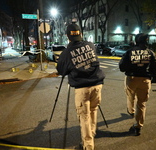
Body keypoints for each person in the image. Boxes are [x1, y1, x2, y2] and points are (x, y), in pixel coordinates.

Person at [57, 22, 105, 150]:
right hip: (97, 85)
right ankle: (92, 134)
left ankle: (88, 146)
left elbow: (61, 70)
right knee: (93, 111)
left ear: (68, 37)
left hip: (82, 88)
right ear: (81, 34)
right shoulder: (90, 45)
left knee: (84, 117)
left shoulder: (66, 52)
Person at [119, 33, 156, 136]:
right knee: (142, 104)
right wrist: (154, 78)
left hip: (132, 79)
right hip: (145, 80)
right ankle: (138, 126)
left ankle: (131, 110)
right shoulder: (150, 52)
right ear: (147, 41)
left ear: (136, 41)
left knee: (130, 96)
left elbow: (122, 67)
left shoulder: (130, 52)